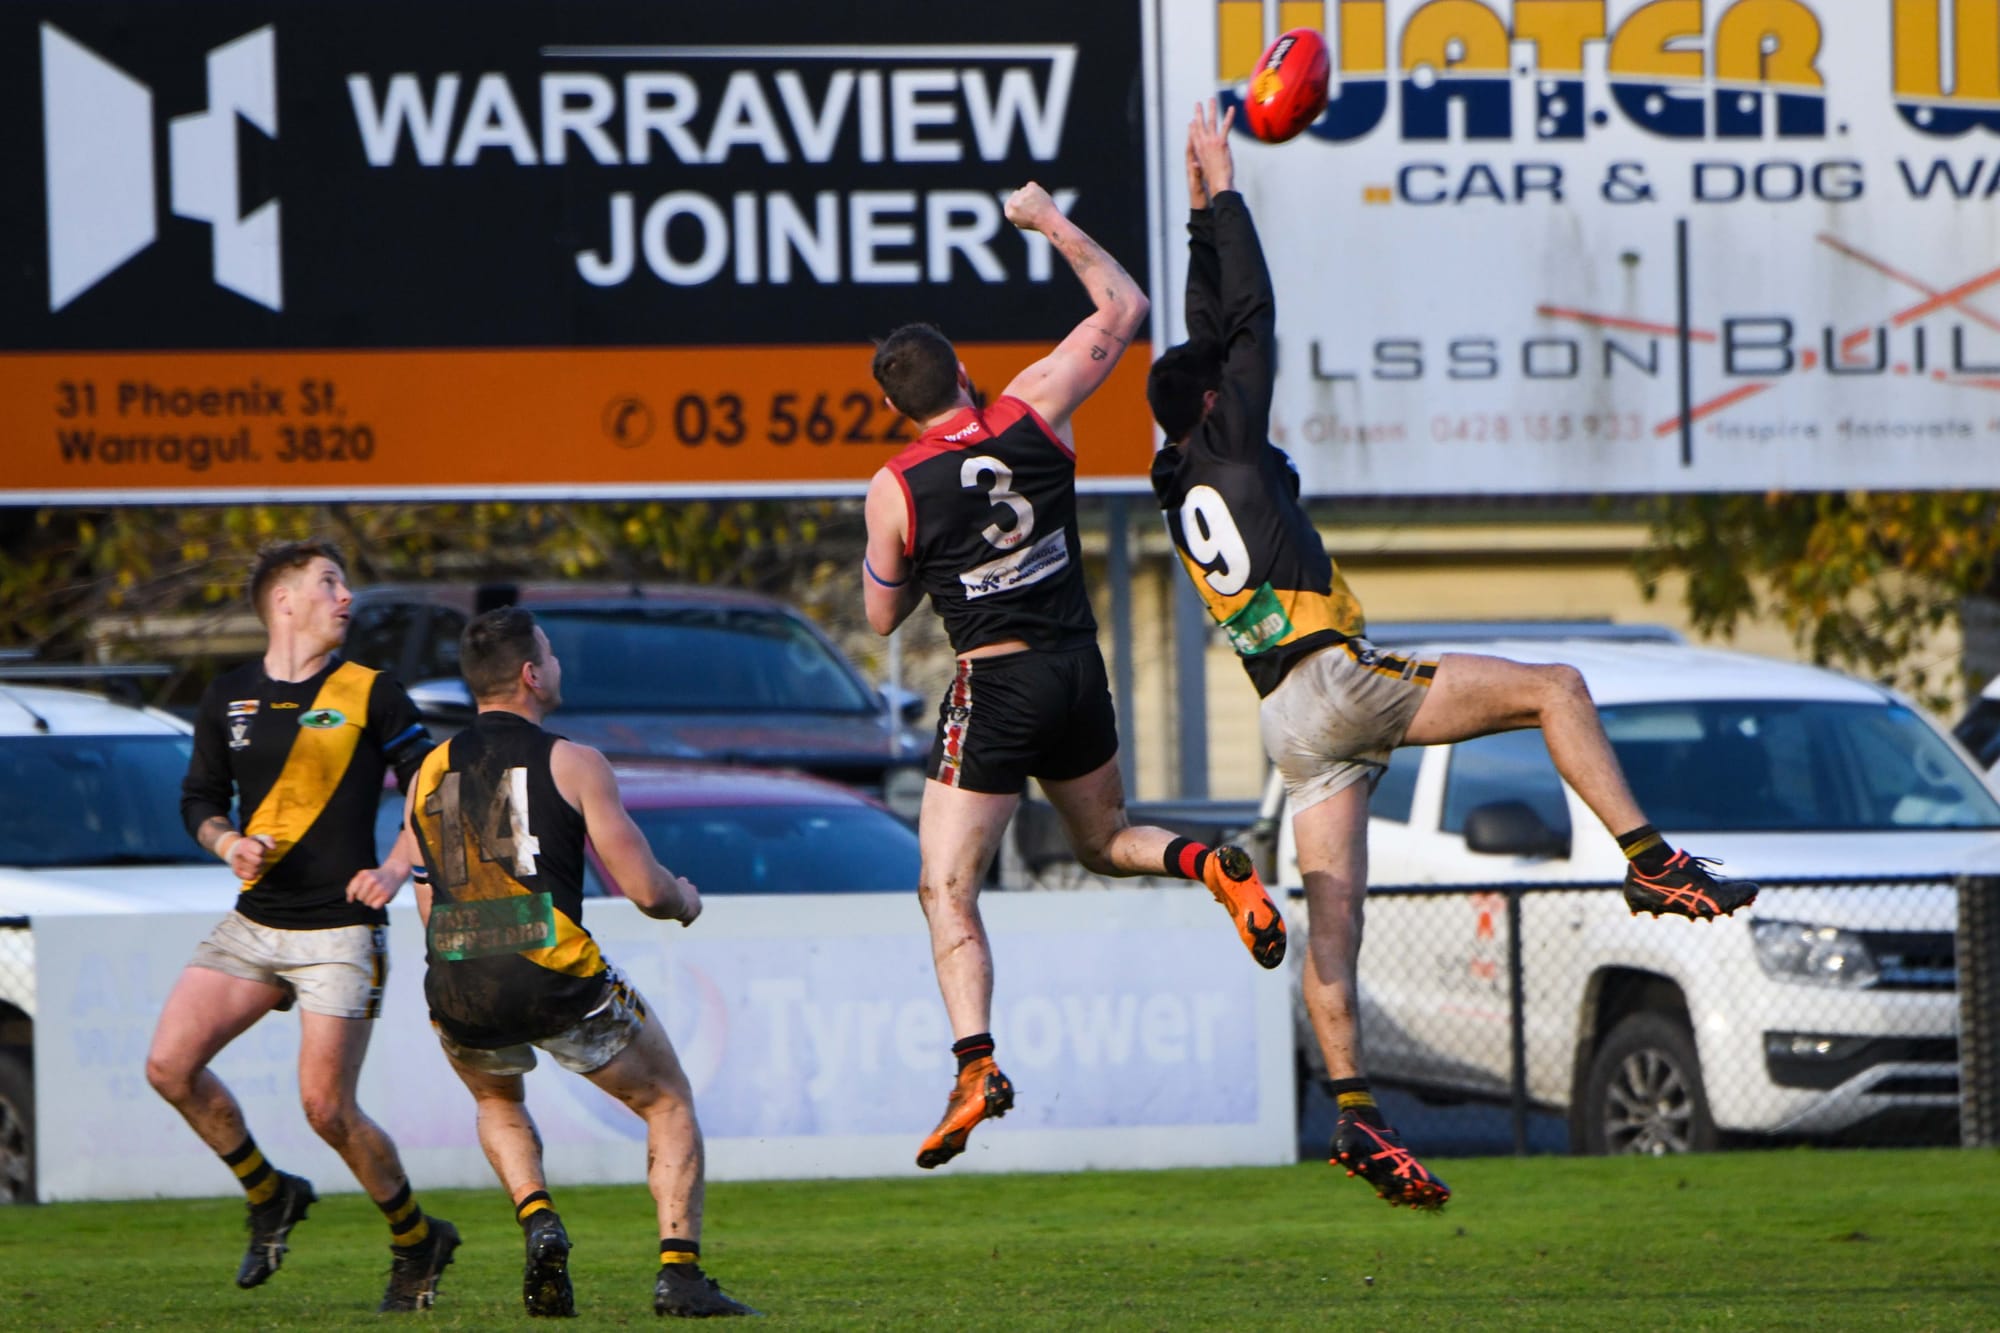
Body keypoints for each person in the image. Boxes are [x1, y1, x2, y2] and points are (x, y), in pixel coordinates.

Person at [1146, 102, 1760, 1210]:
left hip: (1281, 714)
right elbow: (1247, 320)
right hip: (1335, 678)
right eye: (1219, 383)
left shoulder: (1176, 469)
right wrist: (1228, 186)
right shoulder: (1228, 439)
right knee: (1556, 689)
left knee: (1334, 916)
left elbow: (1205, 336)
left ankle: (1354, 1116)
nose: (1234, 385)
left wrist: (1193, 203)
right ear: (1209, 404)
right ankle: (1649, 858)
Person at [862, 181, 1289, 1172]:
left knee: (945, 887)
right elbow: (1124, 311)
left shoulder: (894, 483)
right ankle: (1211, 864)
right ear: (963, 375)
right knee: (1103, 840)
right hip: (1073, 667)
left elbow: (881, 613)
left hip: (994, 683)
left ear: (894, 406)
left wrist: (931, 556)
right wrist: (1048, 222)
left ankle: (974, 1063)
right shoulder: (1031, 407)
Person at [405, 607, 755, 1319]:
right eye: (552, 655)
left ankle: (539, 1217)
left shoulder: (427, 771)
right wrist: (684, 898)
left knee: (497, 1099)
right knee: (667, 1098)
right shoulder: (573, 761)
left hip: (457, 975)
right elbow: (645, 889)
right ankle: (680, 1275)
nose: (557, 665)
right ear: (532, 675)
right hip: (554, 972)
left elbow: (423, 890)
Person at [148, 539, 458, 1310]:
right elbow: (199, 800)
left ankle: (418, 1240)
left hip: (340, 932)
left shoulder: (371, 690)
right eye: (329, 582)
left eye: (346, 582)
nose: (346, 596)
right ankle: (270, 1192)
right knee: (168, 1067)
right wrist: (228, 840)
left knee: (326, 1108)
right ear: (283, 601)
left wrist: (392, 871)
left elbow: (437, 792)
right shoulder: (228, 694)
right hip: (256, 922)